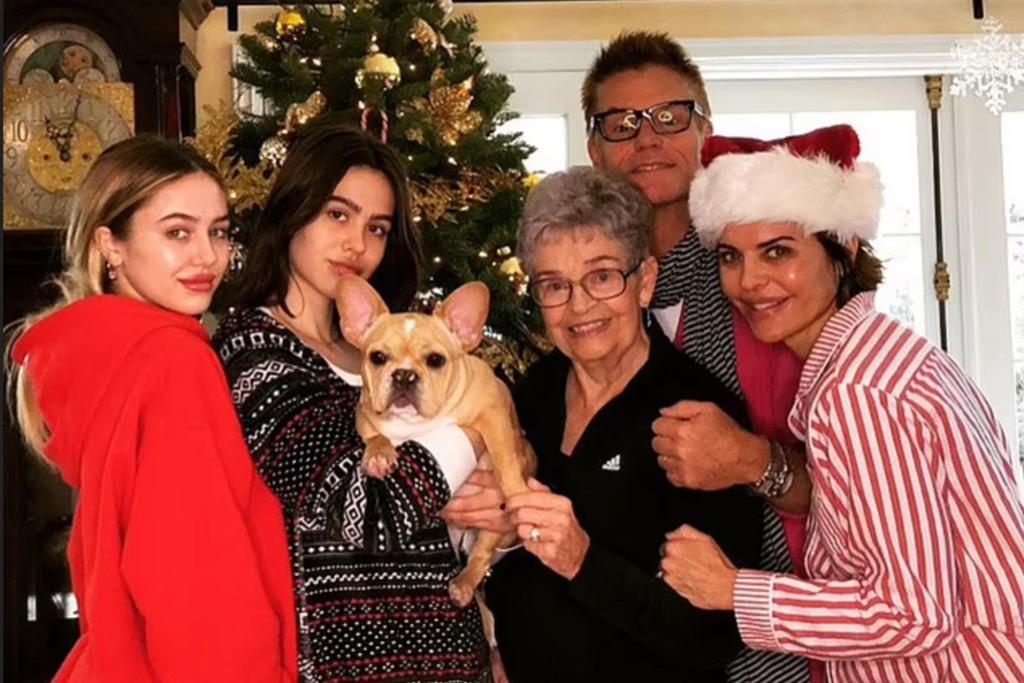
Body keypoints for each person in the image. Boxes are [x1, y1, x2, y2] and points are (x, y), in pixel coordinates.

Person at [660, 124, 1024, 682]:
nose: (750, 281)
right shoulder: (891, 354)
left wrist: (733, 589)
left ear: (844, 248)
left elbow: (914, 615)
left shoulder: (856, 393)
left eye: (777, 252)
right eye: (731, 257)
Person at [6, 136, 298, 682]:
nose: (208, 257)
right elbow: (198, 582)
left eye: (218, 232)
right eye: (177, 232)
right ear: (110, 245)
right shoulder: (173, 361)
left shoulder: (97, 359)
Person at [213, 122, 490, 683]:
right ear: (295, 208)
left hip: (452, 653)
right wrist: (477, 430)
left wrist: (487, 514)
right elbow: (357, 508)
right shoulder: (252, 348)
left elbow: (452, 514)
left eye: (378, 228)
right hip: (349, 663)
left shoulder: (392, 345)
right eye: (338, 214)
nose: (357, 245)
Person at [482, 166, 764, 683]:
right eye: (554, 285)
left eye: (603, 276)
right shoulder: (529, 396)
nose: (579, 305)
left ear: (645, 282)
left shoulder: (698, 415)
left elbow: (714, 637)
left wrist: (582, 560)